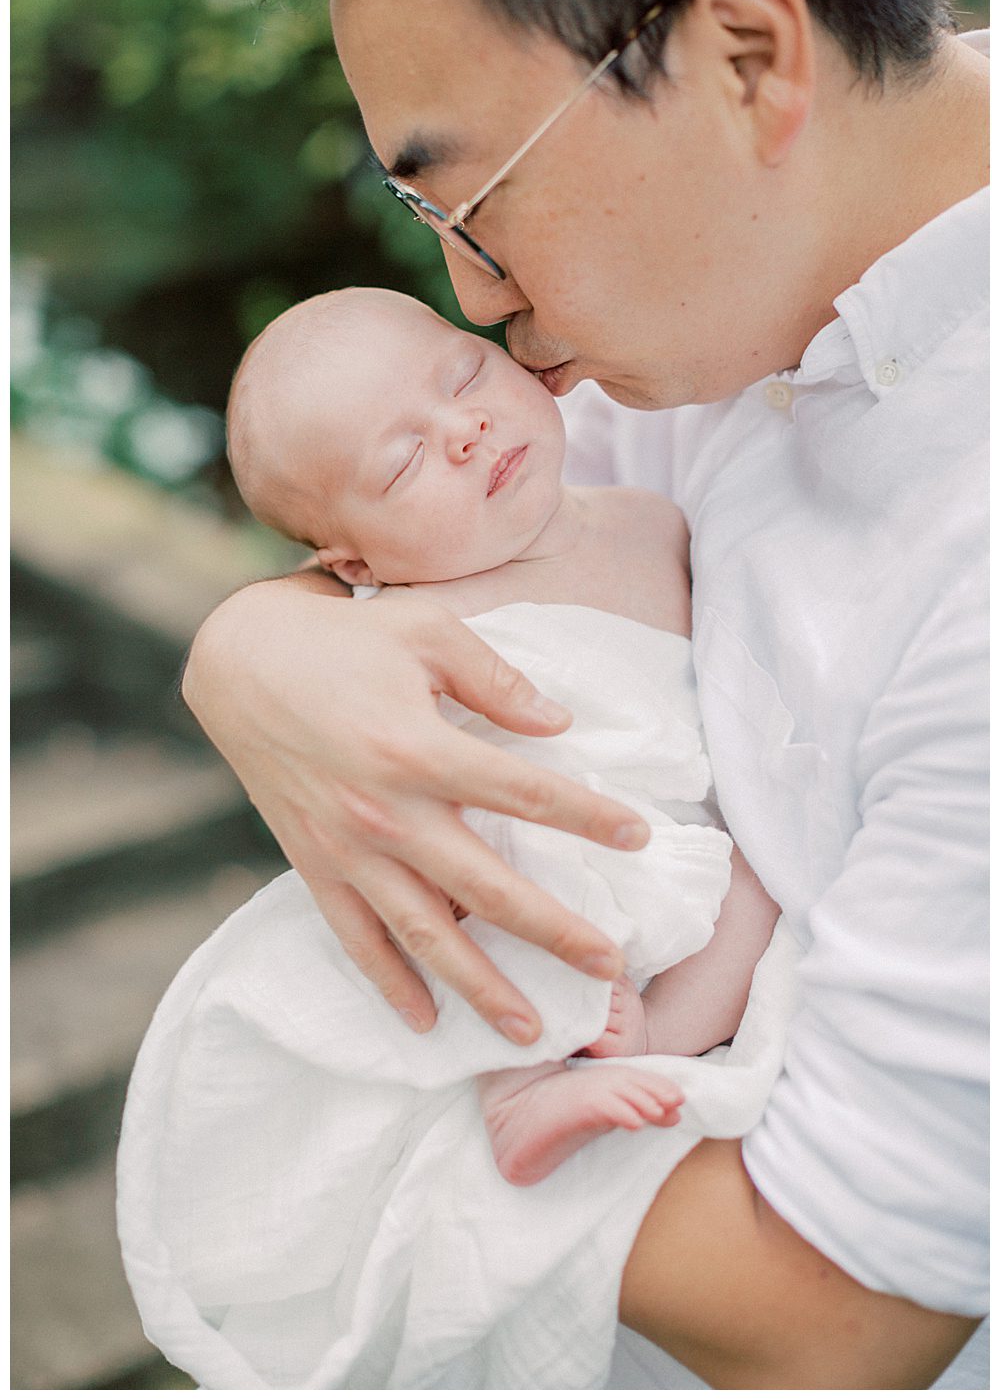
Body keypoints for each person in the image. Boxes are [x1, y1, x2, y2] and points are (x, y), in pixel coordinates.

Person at [180, 0, 987, 1388]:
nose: (478, 301)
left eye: (474, 202)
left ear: (746, 57)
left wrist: (363, 1150)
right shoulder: (712, 299)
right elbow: (488, 562)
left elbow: (838, 1314)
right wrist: (249, 649)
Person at [224, 283, 779, 1187]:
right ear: (360, 564)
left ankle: (659, 1040)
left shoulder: (656, 518)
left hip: (679, 831)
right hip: (541, 848)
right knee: (493, 855)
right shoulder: (400, 623)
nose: (465, 429)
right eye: (405, 462)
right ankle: (519, 1088)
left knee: (765, 878)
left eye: (466, 373)